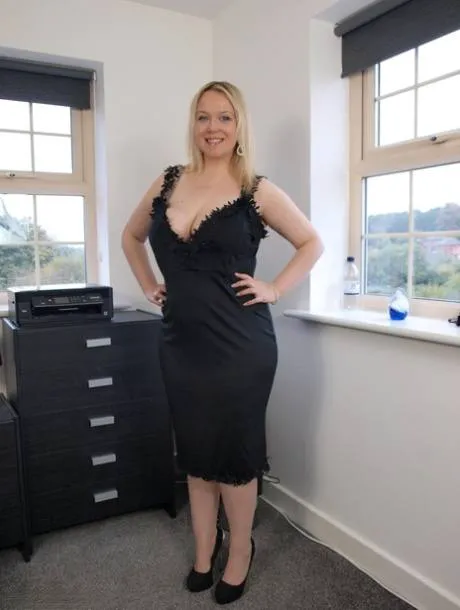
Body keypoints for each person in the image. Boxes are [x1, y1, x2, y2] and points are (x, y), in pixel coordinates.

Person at [121, 80, 323, 605]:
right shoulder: (168, 181)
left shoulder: (255, 189)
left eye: (225, 117)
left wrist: (275, 288)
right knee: (195, 452)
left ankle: (240, 552)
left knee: (233, 455)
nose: (213, 127)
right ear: (194, 124)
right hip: (180, 345)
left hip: (240, 347)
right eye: (204, 117)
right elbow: (131, 236)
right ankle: (204, 550)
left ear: (239, 126)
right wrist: (148, 284)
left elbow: (311, 241)